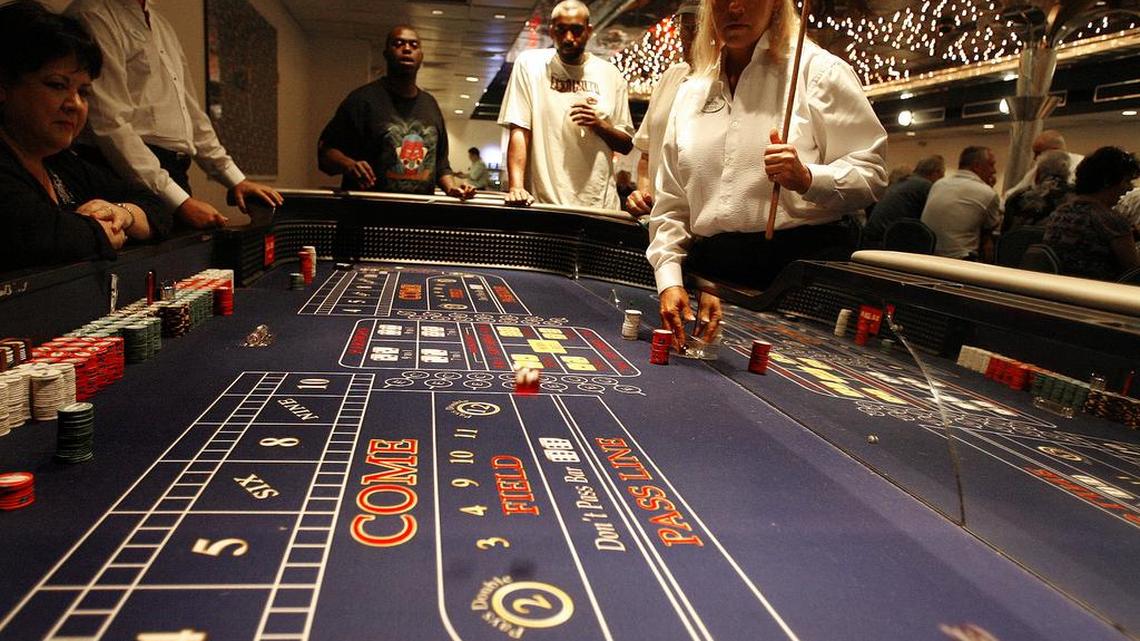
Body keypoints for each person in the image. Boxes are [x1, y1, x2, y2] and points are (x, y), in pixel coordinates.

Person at [647, 0, 888, 348]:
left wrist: (807, 179)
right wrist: (669, 279)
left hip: (799, 287)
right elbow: (672, 203)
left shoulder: (818, 71)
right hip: (712, 284)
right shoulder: (691, 91)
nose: (734, 7)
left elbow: (871, 174)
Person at [66, 0, 283, 230]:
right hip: (121, 173)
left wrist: (235, 179)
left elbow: (189, 110)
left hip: (172, 172)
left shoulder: (161, 24)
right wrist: (179, 201)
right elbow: (110, 123)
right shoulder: (94, 15)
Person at [1, 1, 165, 272]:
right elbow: (34, 235)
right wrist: (98, 232)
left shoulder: (61, 162)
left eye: (83, 92)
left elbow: (157, 207)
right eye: (57, 85)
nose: (75, 104)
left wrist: (122, 214)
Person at [498, 0, 634, 209]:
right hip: (545, 203)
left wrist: (599, 125)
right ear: (552, 31)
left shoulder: (610, 74)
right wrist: (516, 187)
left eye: (576, 30)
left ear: (588, 31)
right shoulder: (530, 65)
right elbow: (520, 129)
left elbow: (626, 144)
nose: (569, 38)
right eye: (561, 30)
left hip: (598, 203)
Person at [318, 26, 474, 199]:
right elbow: (326, 152)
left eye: (414, 45)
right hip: (369, 210)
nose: (407, 49)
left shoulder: (430, 105)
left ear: (421, 56)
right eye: (398, 44)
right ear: (386, 54)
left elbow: (441, 166)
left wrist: (452, 188)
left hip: (419, 213)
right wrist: (349, 165)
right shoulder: (362, 100)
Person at [626, 0, 699, 217]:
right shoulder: (670, 77)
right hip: (661, 224)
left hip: (700, 225)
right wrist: (643, 195)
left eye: (697, 28)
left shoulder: (728, 82)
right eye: (684, 28)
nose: (688, 38)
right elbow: (646, 156)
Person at [1043, 146, 1140, 281]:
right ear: (1107, 181)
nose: (1130, 188)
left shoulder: (1060, 212)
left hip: (1057, 286)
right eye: (1127, 181)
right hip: (1099, 290)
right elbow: (1134, 271)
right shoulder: (1110, 220)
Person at [921, 146, 1001, 260]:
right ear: (977, 166)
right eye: (991, 165)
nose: (994, 171)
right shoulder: (987, 192)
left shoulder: (938, 184)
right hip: (960, 261)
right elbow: (991, 229)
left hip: (926, 256)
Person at [863, 155, 945, 247]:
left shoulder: (903, 182)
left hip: (871, 238)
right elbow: (933, 219)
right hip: (887, 242)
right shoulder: (925, 186)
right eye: (942, 174)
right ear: (936, 173)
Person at [1001, 129, 1083, 207]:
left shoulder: (1081, 165)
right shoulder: (1039, 169)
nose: (1035, 158)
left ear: (1054, 151)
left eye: (1038, 153)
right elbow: (1011, 194)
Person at [1001, 149, 1071, 232]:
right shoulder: (1075, 197)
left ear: (1038, 173)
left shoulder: (1017, 197)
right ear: (1067, 174)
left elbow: (1005, 232)